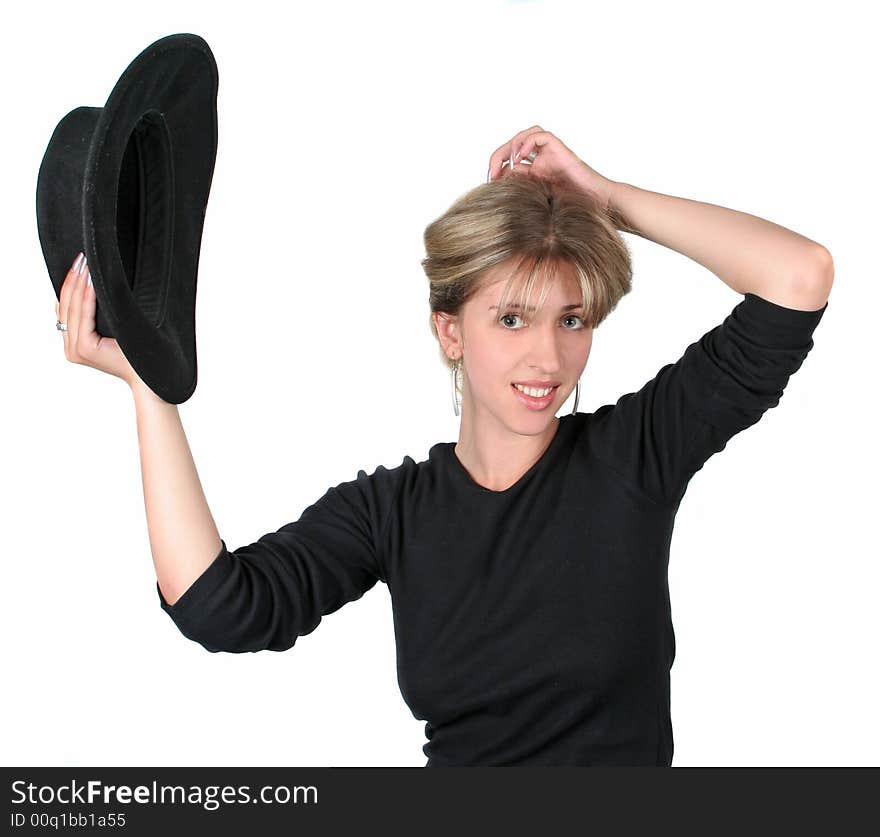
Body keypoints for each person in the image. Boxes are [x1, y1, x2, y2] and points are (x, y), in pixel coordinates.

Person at [55, 126, 833, 766]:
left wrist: (605, 200)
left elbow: (798, 277)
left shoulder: (634, 454)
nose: (548, 360)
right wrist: (150, 390)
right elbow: (219, 607)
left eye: (572, 319)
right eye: (512, 319)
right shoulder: (391, 512)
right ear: (450, 330)